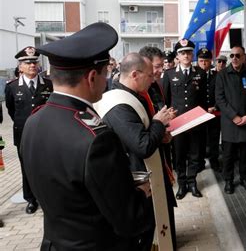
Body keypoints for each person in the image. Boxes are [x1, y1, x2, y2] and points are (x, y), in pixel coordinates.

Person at [20, 22, 151, 250]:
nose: (107, 79)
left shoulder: (33, 121)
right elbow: (128, 219)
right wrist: (141, 192)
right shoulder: (97, 138)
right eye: (106, 73)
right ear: (91, 77)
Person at [96, 53, 177, 251]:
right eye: (150, 75)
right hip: (137, 179)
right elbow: (142, 145)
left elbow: (144, 131)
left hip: (147, 174)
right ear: (135, 74)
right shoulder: (119, 104)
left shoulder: (133, 94)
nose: (154, 78)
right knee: (144, 236)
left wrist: (161, 135)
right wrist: (158, 122)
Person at [4, 46, 53, 214]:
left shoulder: (48, 84)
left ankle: (46, 197)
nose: (32, 65)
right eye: (27, 62)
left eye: (34, 62)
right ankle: (31, 199)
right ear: (20, 67)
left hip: (45, 134)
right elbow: (11, 110)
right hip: (23, 134)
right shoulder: (12, 87)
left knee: (46, 166)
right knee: (26, 167)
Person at [162, 39, 206, 199]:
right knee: (179, 155)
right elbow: (166, 100)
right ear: (177, 56)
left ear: (192, 54)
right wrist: (167, 122)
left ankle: (192, 183)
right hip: (178, 123)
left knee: (195, 154)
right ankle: (182, 184)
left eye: (188, 52)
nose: (186, 55)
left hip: (195, 122)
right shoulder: (169, 74)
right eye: (182, 53)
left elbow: (203, 101)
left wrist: (202, 119)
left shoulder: (200, 73)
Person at [215, 45, 246, 194]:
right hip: (229, 123)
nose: (234, 58)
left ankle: (244, 178)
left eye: (238, 55)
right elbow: (220, 99)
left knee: (245, 154)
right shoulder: (222, 75)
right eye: (232, 56)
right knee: (228, 155)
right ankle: (228, 180)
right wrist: (234, 116)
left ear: (244, 57)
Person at [196, 48, 222, 172]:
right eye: (201, 60)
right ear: (197, 61)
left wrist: (215, 106)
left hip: (214, 112)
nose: (204, 63)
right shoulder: (193, 75)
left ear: (211, 61)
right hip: (199, 113)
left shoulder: (217, 75)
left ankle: (214, 160)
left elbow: (220, 93)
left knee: (214, 138)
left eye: (206, 60)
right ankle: (200, 162)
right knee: (199, 139)